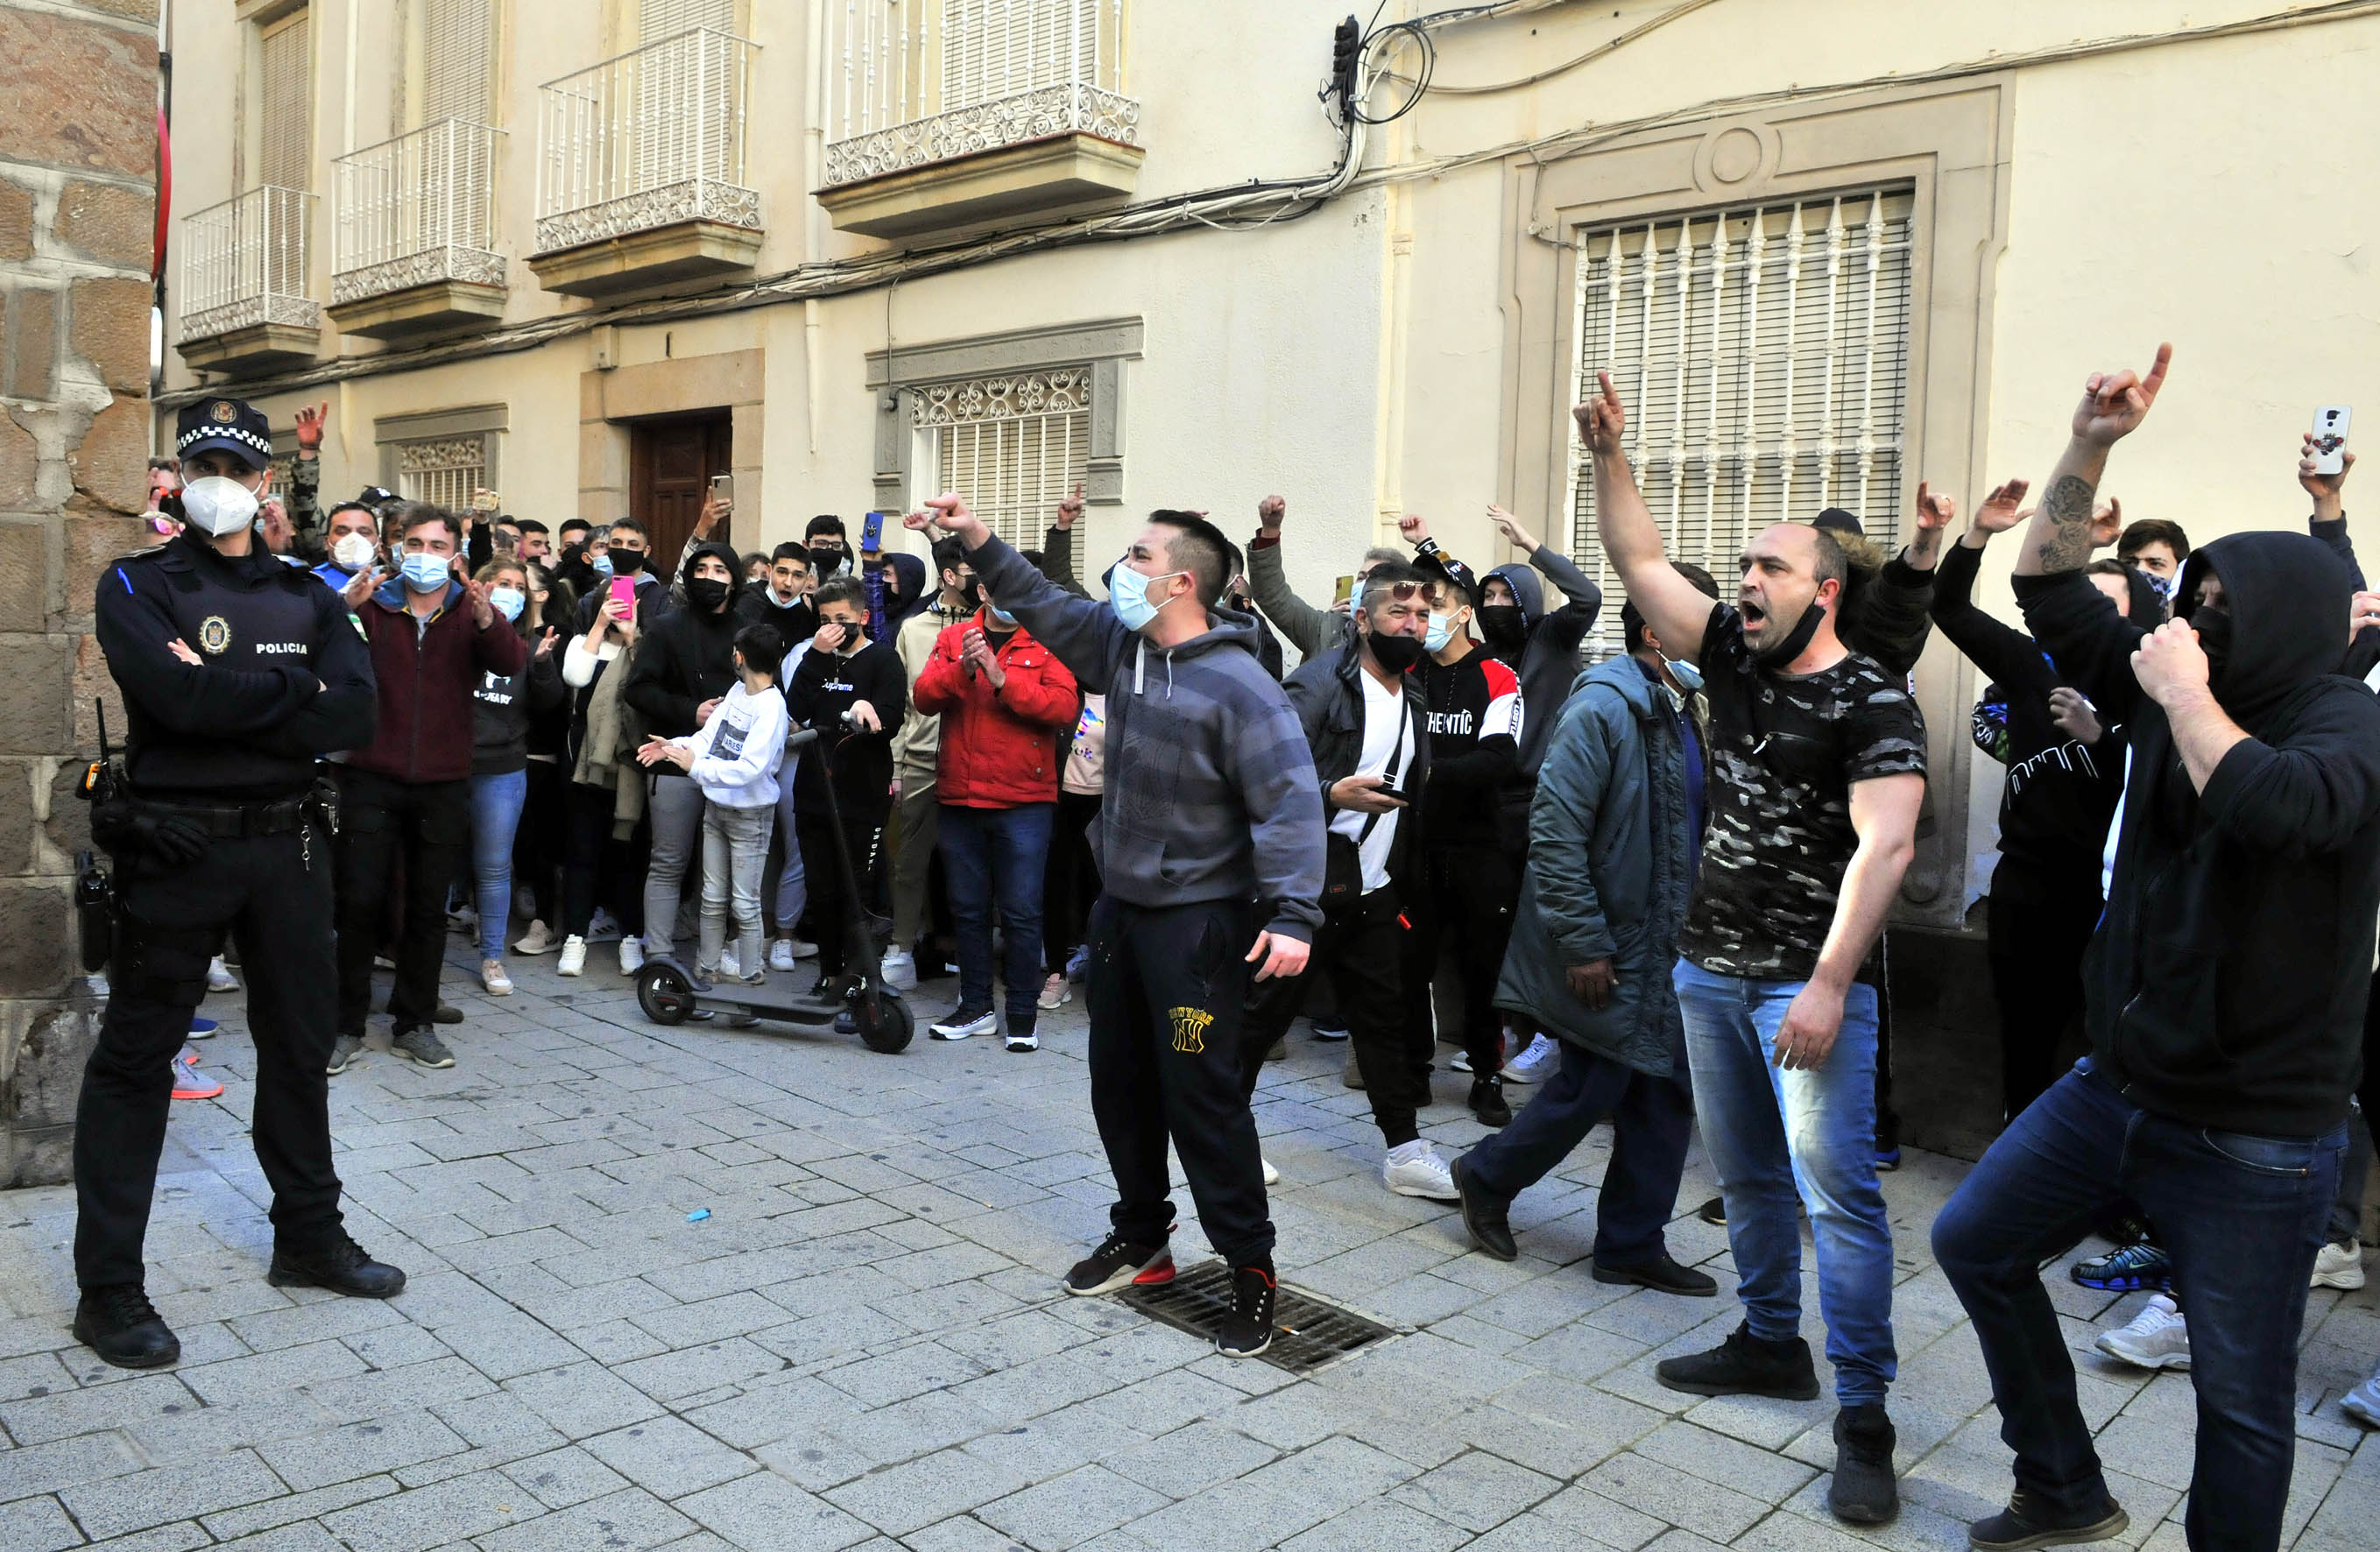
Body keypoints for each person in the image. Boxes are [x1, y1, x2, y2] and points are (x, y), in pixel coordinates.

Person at [1932, 344, 2380, 1552]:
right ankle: (2063, 1486)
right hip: (2118, 1084)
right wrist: (2089, 445)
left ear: (2282, 626)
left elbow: (2286, 811)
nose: (2190, 621)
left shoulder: (2346, 722)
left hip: (2257, 1133)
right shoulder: (2162, 671)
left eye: (2218, 611)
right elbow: (2042, 586)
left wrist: (2183, 696)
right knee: (1973, 1242)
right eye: (2193, 603)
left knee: (2239, 1402)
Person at [1579, 370, 1926, 1524]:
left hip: (1802, 985)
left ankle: (1864, 1418)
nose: (1745, 586)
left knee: (1841, 1203)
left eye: (1768, 570)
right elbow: (1638, 567)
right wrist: (1610, 458)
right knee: (1746, 1179)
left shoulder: (1874, 700)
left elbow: (1884, 851)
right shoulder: (1729, 656)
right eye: (1742, 572)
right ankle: (1771, 1341)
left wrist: (1827, 987)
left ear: (1824, 592)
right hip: (1705, 973)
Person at [915, 493, 1324, 1359]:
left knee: (1203, 1101)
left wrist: (1292, 913)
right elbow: (1042, 597)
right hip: (1120, 912)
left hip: (1199, 925)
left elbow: (1289, 805)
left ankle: (1250, 1268)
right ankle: (1143, 1235)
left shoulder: (1243, 687)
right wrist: (975, 535)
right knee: (1118, 1085)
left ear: (1181, 581)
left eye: (1135, 557)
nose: (1118, 569)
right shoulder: (1122, 647)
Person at [74, 397, 399, 1370]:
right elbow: (170, 697)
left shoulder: (304, 591)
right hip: (177, 846)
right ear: (178, 473)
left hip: (288, 848)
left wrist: (232, 699)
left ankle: (306, 1235)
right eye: (202, 458)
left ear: (265, 482)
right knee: (137, 1061)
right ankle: (109, 1289)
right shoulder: (137, 583)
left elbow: (357, 714)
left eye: (238, 462)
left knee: (297, 1048)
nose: (220, 475)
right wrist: (294, 690)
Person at [1452, 566, 1725, 1295]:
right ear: (1654, 631)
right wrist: (1583, 942)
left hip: (1669, 940)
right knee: (1590, 1083)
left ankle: (1631, 1243)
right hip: (1609, 940)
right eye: (1699, 628)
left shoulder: (1684, 705)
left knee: (1661, 1090)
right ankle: (1484, 1174)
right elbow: (1555, 831)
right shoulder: (1602, 706)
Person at [1244, 561, 1465, 1201]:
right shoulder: (1317, 686)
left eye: (1423, 615)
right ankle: (1222, 1131)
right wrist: (1327, 792)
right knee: (1261, 1020)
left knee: (1383, 1022)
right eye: (1399, 614)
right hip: (1304, 890)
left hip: (1370, 889)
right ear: (1362, 619)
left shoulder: (1413, 690)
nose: (1413, 625)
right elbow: (1261, 778)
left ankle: (1404, 1150)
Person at [1925, 480, 2142, 1121]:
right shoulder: (2027, 666)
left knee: (2107, 1044)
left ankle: (2109, 1185)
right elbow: (1949, 608)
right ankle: (2017, 1169)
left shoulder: (2145, 685)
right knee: (2024, 1040)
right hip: (2024, 889)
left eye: (2101, 609)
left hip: (2107, 898)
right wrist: (1978, 536)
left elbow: (2165, 778)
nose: (2081, 625)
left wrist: (2101, 738)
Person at [332, 505, 526, 1073]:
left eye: (436, 545)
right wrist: (344, 611)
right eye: (413, 542)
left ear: (456, 556)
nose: (424, 554)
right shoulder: (374, 604)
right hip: (372, 774)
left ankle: (413, 1022)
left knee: (426, 908)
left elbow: (510, 661)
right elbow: (326, 655)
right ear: (396, 548)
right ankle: (345, 1023)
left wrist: (491, 619)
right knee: (358, 902)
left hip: (442, 781)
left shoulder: (470, 611)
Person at [912, 573, 1081, 1050]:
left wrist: (1002, 678)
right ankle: (976, 1008)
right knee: (966, 910)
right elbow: (923, 698)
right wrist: (963, 669)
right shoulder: (952, 639)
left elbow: (1063, 707)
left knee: (1022, 912)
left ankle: (1023, 1014)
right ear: (982, 593)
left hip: (1023, 801)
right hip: (960, 797)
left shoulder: (1045, 641)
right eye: (999, 590)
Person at [1394, 525, 1525, 1123]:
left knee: (1480, 971)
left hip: (1479, 848)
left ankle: (1485, 1077)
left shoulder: (1498, 674)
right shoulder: (1408, 671)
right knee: (1410, 963)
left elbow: (1499, 758)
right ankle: (1412, 1069)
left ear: (1465, 611)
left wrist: (1425, 774)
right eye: (1420, 608)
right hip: (1414, 846)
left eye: (1437, 605)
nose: (1425, 617)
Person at [638, 621, 790, 998]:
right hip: (717, 811)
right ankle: (705, 974)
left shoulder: (771, 708)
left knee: (745, 902)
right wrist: (673, 748)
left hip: (750, 818)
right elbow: (709, 739)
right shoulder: (737, 692)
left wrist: (695, 768)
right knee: (711, 898)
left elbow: (749, 769)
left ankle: (750, 979)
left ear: (739, 656)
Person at [622, 542, 745, 975]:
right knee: (669, 859)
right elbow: (637, 689)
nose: (710, 578)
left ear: (735, 579)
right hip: (676, 756)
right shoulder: (666, 627)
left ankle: (718, 954)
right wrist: (689, 711)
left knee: (725, 865)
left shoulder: (747, 628)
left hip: (733, 766)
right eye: (701, 569)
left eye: (720, 570)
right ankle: (658, 955)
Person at [783, 576, 907, 991]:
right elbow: (796, 707)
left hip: (862, 795)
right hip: (814, 792)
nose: (833, 627)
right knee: (822, 890)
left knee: (858, 889)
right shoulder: (815, 657)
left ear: (863, 617)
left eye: (842, 619)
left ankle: (860, 978)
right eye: (824, 620)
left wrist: (868, 710)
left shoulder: (884, 660)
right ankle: (829, 972)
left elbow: (891, 719)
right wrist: (817, 656)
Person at [466, 560, 566, 995]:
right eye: (501, 583)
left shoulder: (529, 644)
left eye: (517, 586)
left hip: (504, 768)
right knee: (432, 864)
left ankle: (492, 956)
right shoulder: (458, 635)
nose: (510, 591)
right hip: (450, 766)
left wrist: (542, 665)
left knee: (494, 868)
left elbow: (548, 705)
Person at [884, 538, 976, 989]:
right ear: (949, 577)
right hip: (921, 759)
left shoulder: (992, 624)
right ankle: (901, 947)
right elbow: (902, 707)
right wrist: (898, 768)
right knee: (909, 862)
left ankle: (967, 950)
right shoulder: (914, 628)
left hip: (975, 761)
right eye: (971, 570)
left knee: (972, 863)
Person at [554, 584, 647, 977]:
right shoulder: (583, 641)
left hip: (630, 766)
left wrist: (632, 635)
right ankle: (575, 937)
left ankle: (631, 937)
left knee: (629, 855)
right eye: (610, 598)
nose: (618, 604)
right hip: (586, 767)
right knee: (582, 853)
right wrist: (600, 624)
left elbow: (648, 684)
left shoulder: (644, 645)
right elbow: (575, 675)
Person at [1245, 493, 1405, 660]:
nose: (1363, 585)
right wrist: (1270, 531)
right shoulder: (1324, 627)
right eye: (1361, 577)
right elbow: (1272, 595)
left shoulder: (1409, 634)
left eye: (1372, 578)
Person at [311, 498, 382, 595]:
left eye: (364, 532)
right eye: (342, 532)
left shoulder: (392, 584)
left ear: (379, 543)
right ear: (327, 542)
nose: (354, 539)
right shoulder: (310, 584)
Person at [2115, 514, 2190, 600]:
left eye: (2155, 564)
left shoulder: (2197, 612)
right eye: (2129, 563)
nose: (2140, 570)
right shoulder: (2106, 610)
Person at [806, 514, 851, 579]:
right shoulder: (792, 581)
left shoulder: (847, 582)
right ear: (806, 545)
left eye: (836, 545)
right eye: (821, 543)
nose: (829, 549)